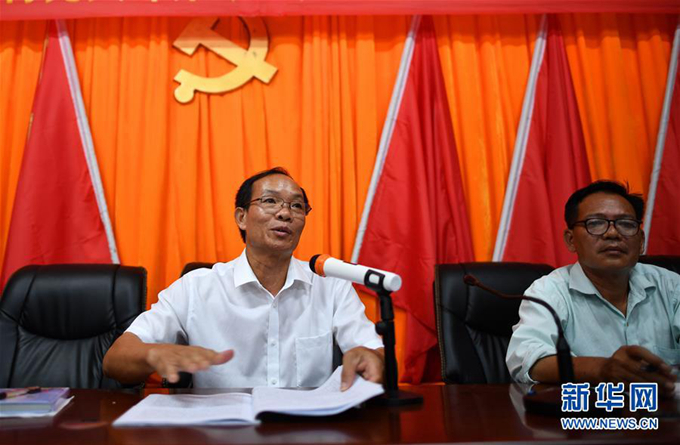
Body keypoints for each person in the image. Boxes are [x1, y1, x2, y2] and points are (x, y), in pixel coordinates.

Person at [103, 167, 384, 389]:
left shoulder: (331, 286)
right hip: (221, 430)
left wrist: (370, 357)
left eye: (297, 206)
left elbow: (374, 354)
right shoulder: (196, 288)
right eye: (270, 201)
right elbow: (115, 360)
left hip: (306, 430)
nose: (285, 213)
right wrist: (153, 354)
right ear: (241, 217)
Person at [506, 180, 679, 396]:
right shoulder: (548, 292)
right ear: (571, 240)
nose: (612, 233)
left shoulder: (672, 287)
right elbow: (528, 359)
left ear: (641, 241)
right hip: (588, 414)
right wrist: (603, 369)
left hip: (663, 412)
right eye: (596, 223)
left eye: (626, 224)